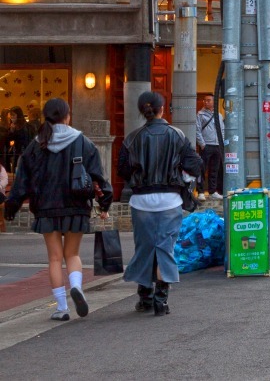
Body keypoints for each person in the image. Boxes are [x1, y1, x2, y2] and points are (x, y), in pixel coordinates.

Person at [4, 98, 112, 321]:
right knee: (72, 254)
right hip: (76, 205)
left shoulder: (36, 145)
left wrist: (11, 207)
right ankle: (77, 287)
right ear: (67, 116)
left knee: (54, 258)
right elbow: (98, 178)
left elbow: (22, 181)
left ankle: (61, 308)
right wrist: (105, 203)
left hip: (46, 207)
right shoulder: (82, 142)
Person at [118, 91, 202, 315]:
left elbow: (123, 170)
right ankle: (160, 300)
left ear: (142, 111)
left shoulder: (132, 137)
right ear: (162, 109)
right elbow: (195, 164)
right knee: (165, 249)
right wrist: (181, 175)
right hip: (170, 199)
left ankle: (144, 298)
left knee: (144, 249)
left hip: (141, 201)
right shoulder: (177, 135)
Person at [195, 94, 224, 200]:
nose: (206, 102)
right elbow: (197, 130)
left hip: (217, 146)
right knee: (202, 169)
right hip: (206, 146)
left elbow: (222, 130)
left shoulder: (219, 115)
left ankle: (212, 191)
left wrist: (222, 143)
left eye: (208, 100)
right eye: (205, 100)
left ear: (213, 101)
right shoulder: (200, 115)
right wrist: (202, 144)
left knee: (214, 170)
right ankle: (201, 191)